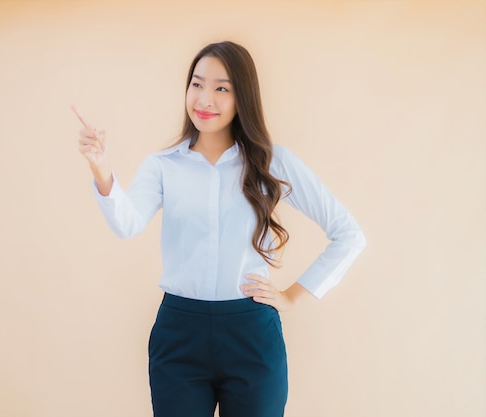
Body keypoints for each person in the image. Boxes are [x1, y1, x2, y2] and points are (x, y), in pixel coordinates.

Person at [73, 41, 366, 417]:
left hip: (252, 336)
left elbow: (349, 234)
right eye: (196, 84)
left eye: (221, 88)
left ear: (242, 96)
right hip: (180, 333)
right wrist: (99, 167)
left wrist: (292, 296)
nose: (204, 99)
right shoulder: (163, 165)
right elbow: (128, 225)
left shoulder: (272, 163)